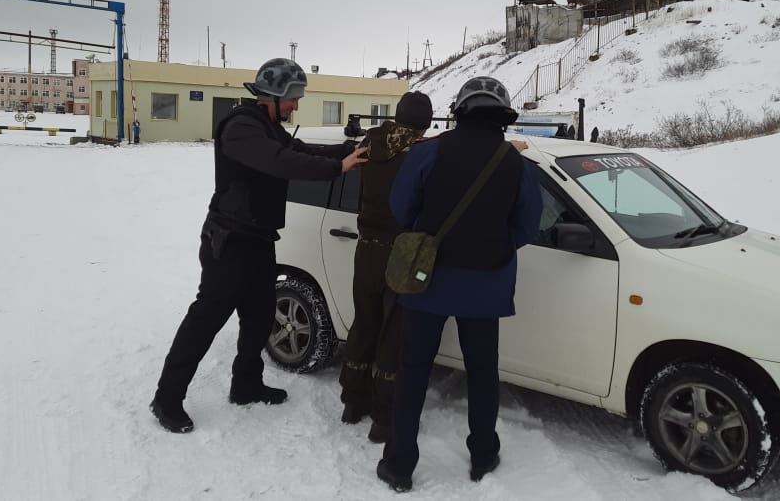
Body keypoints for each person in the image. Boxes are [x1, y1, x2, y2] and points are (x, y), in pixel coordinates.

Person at [150, 58, 368, 433]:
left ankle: (246, 383)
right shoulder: (241, 128)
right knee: (206, 320)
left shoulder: (267, 125)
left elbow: (300, 149)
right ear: (273, 94)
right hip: (229, 242)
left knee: (259, 315)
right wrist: (339, 168)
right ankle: (167, 398)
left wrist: (349, 149)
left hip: (258, 239)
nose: (296, 106)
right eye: (293, 98)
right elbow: (282, 161)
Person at [377, 76, 542, 492]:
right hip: (487, 286)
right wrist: (494, 244)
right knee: (483, 372)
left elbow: (400, 208)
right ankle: (483, 455)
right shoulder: (518, 165)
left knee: (413, 370)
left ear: (460, 111)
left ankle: (399, 465)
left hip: (427, 281)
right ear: (502, 118)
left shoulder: (428, 153)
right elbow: (526, 227)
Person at [339, 91, 435, 444]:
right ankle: (383, 417)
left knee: (364, 324)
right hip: (401, 253)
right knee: (394, 334)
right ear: (423, 124)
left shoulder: (371, 143)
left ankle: (352, 402)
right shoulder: (421, 155)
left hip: (366, 250)